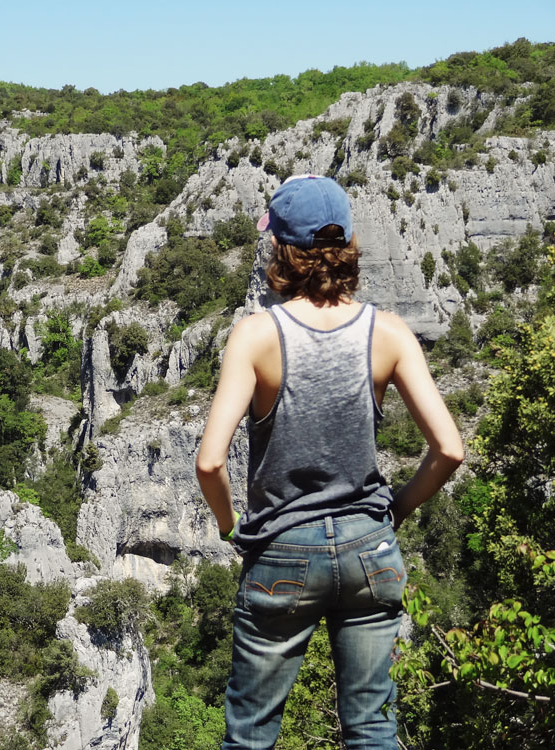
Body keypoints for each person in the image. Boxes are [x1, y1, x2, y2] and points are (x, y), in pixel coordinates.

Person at [195, 175, 464, 750]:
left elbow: (210, 462)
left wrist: (231, 530)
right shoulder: (389, 332)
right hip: (372, 551)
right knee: (371, 731)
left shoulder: (255, 336)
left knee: (250, 737)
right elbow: (449, 449)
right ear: (346, 244)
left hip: (282, 553)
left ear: (282, 250)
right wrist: (396, 510)